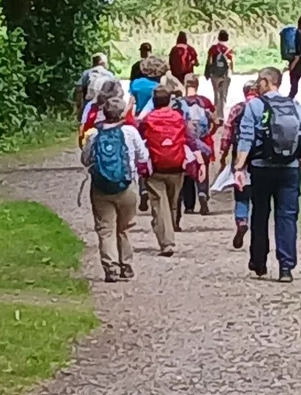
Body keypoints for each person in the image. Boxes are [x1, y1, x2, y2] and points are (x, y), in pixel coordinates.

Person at [232, 67, 301, 283]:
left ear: (267, 81)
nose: (257, 85)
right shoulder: (295, 106)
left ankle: (259, 262)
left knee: (260, 213)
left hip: (261, 168)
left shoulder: (255, 106)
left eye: (259, 81)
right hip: (290, 168)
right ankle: (286, 267)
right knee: (287, 216)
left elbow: (246, 138)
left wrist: (239, 167)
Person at [81, 96, 150, 283]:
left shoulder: (93, 134)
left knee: (106, 229)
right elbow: (143, 156)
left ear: (104, 113)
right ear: (122, 113)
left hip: (100, 187)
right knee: (124, 228)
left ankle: (110, 268)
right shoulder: (130, 131)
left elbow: (85, 160)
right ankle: (126, 266)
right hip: (126, 186)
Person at [139, 86, 192, 257]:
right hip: (177, 166)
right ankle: (169, 228)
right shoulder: (178, 117)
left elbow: (141, 139)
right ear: (169, 100)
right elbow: (189, 136)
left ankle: (166, 241)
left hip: (156, 168)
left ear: (153, 101)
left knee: (160, 205)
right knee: (172, 202)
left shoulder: (148, 119)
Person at [220, 81, 258, 249]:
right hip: (260, 155)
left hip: (240, 153)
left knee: (241, 189)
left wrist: (223, 153)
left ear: (244, 92)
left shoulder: (237, 108)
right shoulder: (263, 107)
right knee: (258, 191)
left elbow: (227, 132)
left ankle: (241, 220)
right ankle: (258, 225)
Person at [179, 74, 217, 215]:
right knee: (203, 169)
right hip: (204, 141)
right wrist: (210, 133)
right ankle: (202, 192)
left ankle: (189, 205)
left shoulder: (179, 103)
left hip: (187, 142)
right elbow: (216, 121)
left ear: (185, 85)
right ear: (197, 85)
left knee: (188, 171)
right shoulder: (205, 102)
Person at [79, 79, 137, 147]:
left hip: (89, 141)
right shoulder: (110, 109)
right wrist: (129, 106)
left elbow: (82, 127)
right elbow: (113, 123)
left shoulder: (91, 105)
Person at [205, 30, 235, 119]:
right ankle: (222, 115)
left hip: (215, 74)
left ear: (218, 38)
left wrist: (207, 72)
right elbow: (231, 62)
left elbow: (210, 62)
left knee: (216, 93)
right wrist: (231, 72)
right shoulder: (229, 49)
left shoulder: (213, 48)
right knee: (223, 94)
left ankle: (216, 114)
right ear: (227, 38)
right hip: (226, 74)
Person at [76, 53, 116, 118]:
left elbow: (79, 89)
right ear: (102, 62)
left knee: (85, 122)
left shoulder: (87, 73)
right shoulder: (110, 75)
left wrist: (79, 107)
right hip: (105, 107)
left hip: (89, 105)